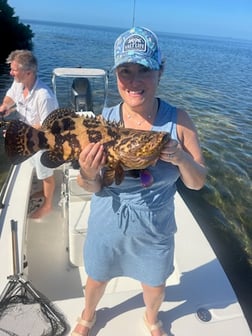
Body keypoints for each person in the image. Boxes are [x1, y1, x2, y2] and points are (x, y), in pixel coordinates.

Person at [72, 27, 207, 336]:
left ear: (161, 69)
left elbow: (197, 183)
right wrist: (89, 172)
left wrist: (181, 158)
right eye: (125, 70)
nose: (133, 81)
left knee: (155, 286)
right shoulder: (103, 120)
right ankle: (88, 316)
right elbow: (91, 186)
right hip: (108, 224)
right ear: (116, 73)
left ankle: (152, 319)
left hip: (155, 229)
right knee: (96, 278)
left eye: (143, 69)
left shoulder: (179, 120)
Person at [0, 50, 59, 219]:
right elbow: (10, 97)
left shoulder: (44, 96)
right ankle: (42, 191)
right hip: (26, 139)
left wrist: (16, 132)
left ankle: (47, 205)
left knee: (45, 173)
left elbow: (48, 126)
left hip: (43, 142)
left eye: (14, 70)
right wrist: (4, 106)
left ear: (28, 72)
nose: (11, 73)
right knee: (35, 168)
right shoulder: (18, 84)